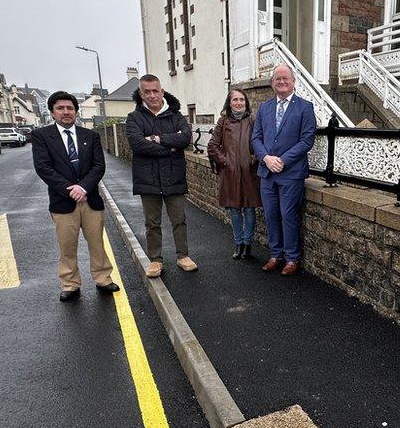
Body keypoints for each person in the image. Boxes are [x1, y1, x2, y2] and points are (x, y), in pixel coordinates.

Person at [32, 91, 119, 302]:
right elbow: (44, 168)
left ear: (76, 111)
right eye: (60, 108)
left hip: (90, 199)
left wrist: (84, 188)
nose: (66, 112)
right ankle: (70, 284)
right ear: (52, 113)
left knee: (97, 242)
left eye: (70, 108)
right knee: (67, 245)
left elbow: (99, 166)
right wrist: (71, 189)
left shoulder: (91, 136)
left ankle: (103, 278)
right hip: (63, 202)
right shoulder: (42, 136)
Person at [125, 74, 196, 278]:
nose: (152, 95)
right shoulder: (134, 118)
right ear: (141, 94)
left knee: (179, 220)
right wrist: (169, 147)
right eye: (147, 91)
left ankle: (183, 256)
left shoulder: (175, 116)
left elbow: (185, 139)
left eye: (155, 90)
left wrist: (156, 139)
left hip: (173, 177)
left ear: (162, 91)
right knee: (152, 223)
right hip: (148, 180)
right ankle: (155, 261)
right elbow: (137, 144)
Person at [250, 64, 316, 276]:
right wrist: (266, 158)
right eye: (277, 78)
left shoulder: (305, 107)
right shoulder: (264, 107)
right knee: (271, 215)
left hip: (291, 173)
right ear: (272, 83)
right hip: (267, 172)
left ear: (293, 81)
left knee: (288, 215)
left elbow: (307, 140)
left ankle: (292, 258)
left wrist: (283, 160)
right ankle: (275, 255)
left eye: (285, 78)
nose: (281, 81)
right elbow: (256, 138)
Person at [208, 89, 262, 260]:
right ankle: (238, 244)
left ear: (246, 102)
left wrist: (252, 159)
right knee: (234, 209)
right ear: (229, 103)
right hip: (230, 173)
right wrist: (225, 161)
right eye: (235, 100)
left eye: (242, 100)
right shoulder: (223, 122)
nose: (239, 103)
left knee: (249, 208)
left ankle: (247, 244)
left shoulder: (253, 120)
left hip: (249, 172)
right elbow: (212, 146)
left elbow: (261, 142)